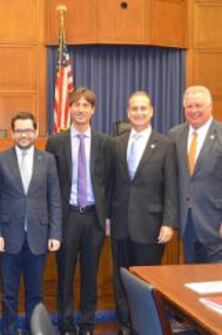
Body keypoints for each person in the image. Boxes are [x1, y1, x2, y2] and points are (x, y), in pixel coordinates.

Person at [109, 91, 177, 334]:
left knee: (146, 282)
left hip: (151, 226)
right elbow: (111, 185)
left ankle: (146, 327)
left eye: (143, 109)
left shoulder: (166, 145)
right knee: (121, 280)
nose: (138, 113)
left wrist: (169, 223)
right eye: (134, 109)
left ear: (151, 112)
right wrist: (108, 217)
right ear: (128, 113)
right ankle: (126, 324)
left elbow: (171, 186)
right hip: (119, 225)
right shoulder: (116, 143)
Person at [0, 112, 62, 335]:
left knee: (35, 294)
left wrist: (55, 233)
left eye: (28, 130)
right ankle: (8, 331)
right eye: (19, 130)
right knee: (8, 294)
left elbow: (54, 199)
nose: (24, 135)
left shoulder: (47, 160)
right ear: (12, 133)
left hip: (39, 237)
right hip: (8, 237)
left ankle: (34, 331)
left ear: (36, 132)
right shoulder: (0, 159)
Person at [46, 87, 112, 335]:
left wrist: (108, 217)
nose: (81, 109)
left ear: (93, 110)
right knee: (64, 275)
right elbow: (50, 184)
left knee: (90, 276)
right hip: (67, 217)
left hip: (94, 218)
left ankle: (86, 324)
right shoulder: (55, 141)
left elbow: (109, 182)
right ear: (69, 108)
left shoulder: (106, 142)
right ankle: (65, 323)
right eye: (76, 105)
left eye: (86, 105)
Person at [169, 85, 222, 263]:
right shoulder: (174, 135)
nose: (194, 110)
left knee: (215, 283)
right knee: (190, 281)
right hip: (187, 223)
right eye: (189, 106)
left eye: (198, 105)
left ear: (210, 107)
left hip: (215, 223)